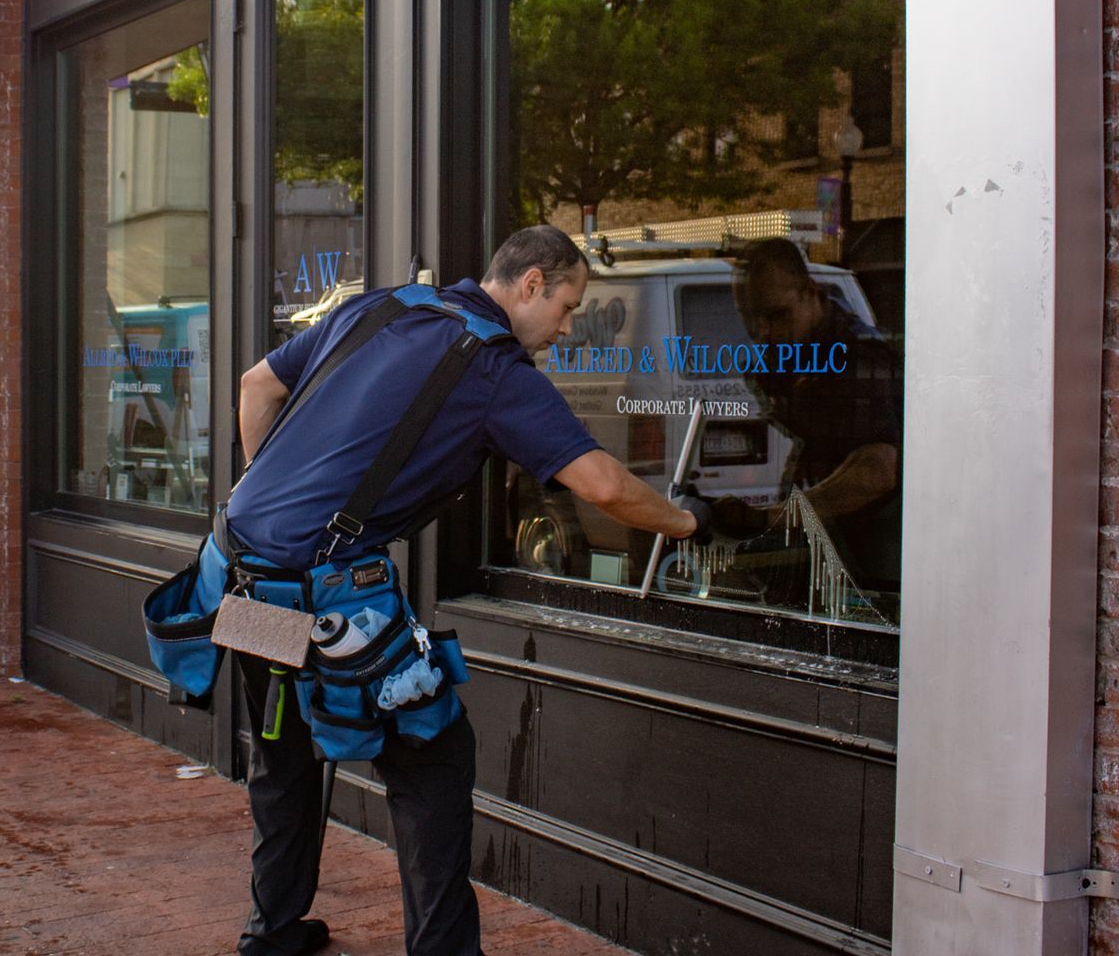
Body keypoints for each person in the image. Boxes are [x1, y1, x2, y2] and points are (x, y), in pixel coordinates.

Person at [223, 224, 703, 956]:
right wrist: (689, 522)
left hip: (246, 569)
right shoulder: (494, 370)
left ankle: (272, 932)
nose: (569, 327)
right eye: (568, 305)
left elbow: (258, 386)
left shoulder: (379, 308)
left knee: (282, 748)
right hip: (325, 592)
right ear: (531, 284)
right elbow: (603, 484)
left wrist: (278, 502)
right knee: (431, 758)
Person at [713, 238, 903, 609]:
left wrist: (774, 518)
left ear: (810, 293)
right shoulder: (794, 356)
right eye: (754, 320)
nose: (764, 332)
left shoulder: (860, 359)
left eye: (777, 315)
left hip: (868, 566)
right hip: (826, 555)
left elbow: (876, 471)